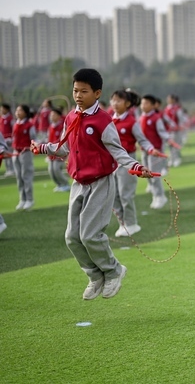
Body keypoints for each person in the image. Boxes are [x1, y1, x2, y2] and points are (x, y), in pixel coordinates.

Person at [31, 68, 153, 300]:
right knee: (71, 237)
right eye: (75, 90)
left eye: (84, 91)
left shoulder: (103, 121)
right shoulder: (70, 117)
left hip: (100, 182)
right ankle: (95, 275)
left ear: (97, 93)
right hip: (78, 183)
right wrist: (44, 147)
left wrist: (136, 167)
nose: (78, 95)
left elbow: (119, 152)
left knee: (89, 235)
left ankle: (114, 271)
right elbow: (64, 147)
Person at [111, 90, 157, 237]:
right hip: (111, 162)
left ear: (128, 104)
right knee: (113, 195)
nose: (115, 103)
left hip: (128, 160)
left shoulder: (131, 121)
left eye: (119, 101)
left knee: (125, 194)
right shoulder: (109, 120)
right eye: (113, 100)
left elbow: (142, 139)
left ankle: (131, 224)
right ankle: (122, 224)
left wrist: (150, 149)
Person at [140, 95, 170, 209]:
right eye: (142, 103)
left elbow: (162, 132)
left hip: (155, 150)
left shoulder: (156, 118)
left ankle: (160, 196)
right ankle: (155, 195)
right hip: (144, 150)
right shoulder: (141, 118)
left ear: (153, 106)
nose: (143, 106)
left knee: (153, 174)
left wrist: (169, 139)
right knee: (146, 174)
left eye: (146, 103)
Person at [12, 104, 36, 210]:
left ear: (25, 113)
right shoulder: (15, 124)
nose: (17, 112)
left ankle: (29, 199)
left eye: (20, 110)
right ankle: (22, 199)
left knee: (26, 176)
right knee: (19, 177)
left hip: (25, 152)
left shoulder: (29, 125)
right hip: (16, 153)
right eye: (17, 110)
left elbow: (33, 139)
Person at [47, 107, 71, 192]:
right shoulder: (50, 127)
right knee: (51, 170)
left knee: (56, 169)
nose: (51, 116)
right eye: (51, 115)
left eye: (53, 115)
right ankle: (59, 185)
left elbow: (63, 139)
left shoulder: (62, 126)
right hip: (51, 152)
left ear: (58, 116)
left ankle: (65, 184)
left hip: (59, 152)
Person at [163, 94, 186, 168]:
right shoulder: (166, 108)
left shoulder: (177, 108)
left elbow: (181, 119)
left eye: (169, 99)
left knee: (175, 145)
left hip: (175, 130)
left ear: (173, 100)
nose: (168, 100)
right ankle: (171, 160)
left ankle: (176, 159)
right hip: (168, 131)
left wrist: (179, 126)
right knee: (170, 146)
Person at [1, 103, 15, 177]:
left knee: (10, 155)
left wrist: (12, 138)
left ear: (6, 109)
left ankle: (12, 169)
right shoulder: (1, 118)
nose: (1, 110)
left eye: (2, 109)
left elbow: (14, 128)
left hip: (9, 140)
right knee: (4, 156)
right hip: (3, 141)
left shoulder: (10, 118)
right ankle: (8, 169)